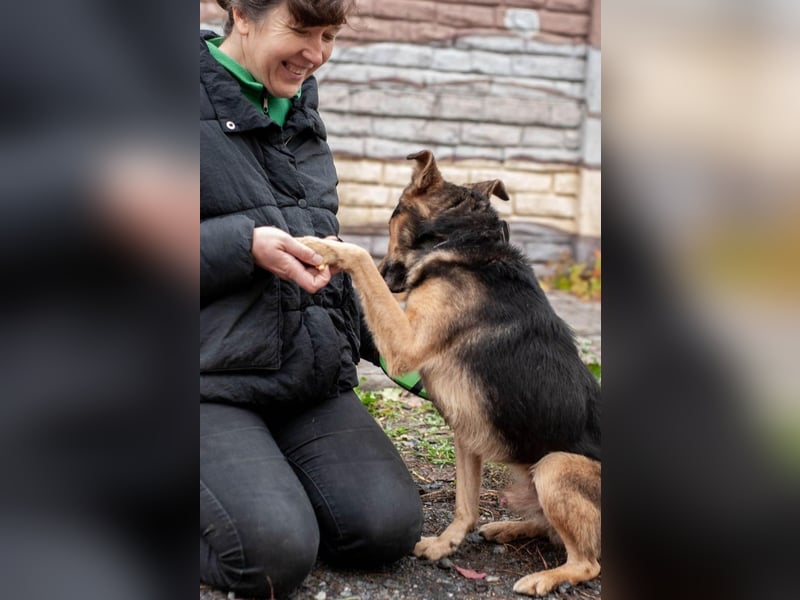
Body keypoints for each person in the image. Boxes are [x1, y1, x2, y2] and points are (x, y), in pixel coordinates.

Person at [199, 1, 423, 597]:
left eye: (328, 35)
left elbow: (329, 263)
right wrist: (240, 245)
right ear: (242, 15)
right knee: (270, 556)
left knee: (384, 529)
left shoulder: (300, 110)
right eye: (301, 29)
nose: (317, 53)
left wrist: (423, 362)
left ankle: (256, 475)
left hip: (299, 377)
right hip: (204, 383)